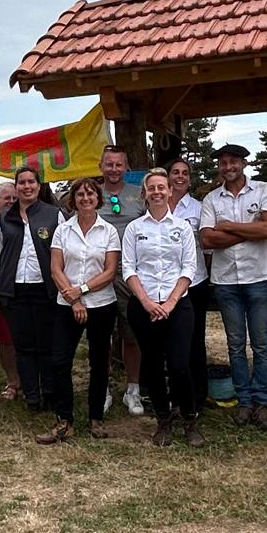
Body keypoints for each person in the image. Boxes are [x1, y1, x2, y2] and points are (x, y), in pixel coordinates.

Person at [200, 143, 267, 428]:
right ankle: (244, 402)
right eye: (223, 163)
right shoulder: (211, 199)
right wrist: (250, 230)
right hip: (225, 280)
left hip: (258, 276)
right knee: (235, 345)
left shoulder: (264, 190)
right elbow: (208, 240)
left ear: (244, 163)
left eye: (233, 161)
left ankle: (263, 402)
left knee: (261, 344)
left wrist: (228, 226)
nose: (228, 167)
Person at [37, 176, 121, 444]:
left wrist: (82, 290)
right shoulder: (63, 230)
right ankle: (64, 420)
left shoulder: (108, 231)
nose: (86, 199)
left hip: (101, 304)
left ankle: (96, 418)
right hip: (67, 305)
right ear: (73, 200)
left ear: (98, 198)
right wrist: (73, 300)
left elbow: (110, 272)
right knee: (60, 361)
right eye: (80, 195)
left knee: (99, 363)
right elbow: (55, 268)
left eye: (91, 194)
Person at [123, 168, 201, 447]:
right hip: (144, 306)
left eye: (161, 187)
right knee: (153, 365)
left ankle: (190, 419)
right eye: (151, 188)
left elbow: (189, 267)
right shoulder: (135, 228)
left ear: (170, 191)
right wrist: (146, 302)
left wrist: (169, 303)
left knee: (180, 364)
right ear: (145, 194)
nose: (157, 192)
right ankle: (163, 420)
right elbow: (128, 268)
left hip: (177, 305)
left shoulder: (181, 228)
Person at [0, 167, 61, 411]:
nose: (27, 186)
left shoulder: (54, 214)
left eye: (31, 182)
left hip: (45, 289)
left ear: (39, 186)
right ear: (16, 187)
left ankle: (50, 392)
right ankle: (31, 396)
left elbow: (64, 253)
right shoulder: (4, 217)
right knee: (23, 346)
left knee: (46, 345)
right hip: (14, 291)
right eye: (22, 183)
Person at [97, 145, 147, 415]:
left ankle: (133, 390)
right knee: (101, 334)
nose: (114, 169)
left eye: (118, 165)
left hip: (131, 274)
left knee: (132, 334)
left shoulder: (139, 194)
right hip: (100, 275)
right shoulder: (92, 193)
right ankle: (101, 389)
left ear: (126, 168)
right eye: (109, 164)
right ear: (100, 166)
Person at [169, 158, 211, 404]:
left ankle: (197, 394)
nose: (180, 176)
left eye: (185, 172)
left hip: (194, 282)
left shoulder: (198, 208)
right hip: (163, 284)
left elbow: (207, 248)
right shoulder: (154, 206)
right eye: (175, 172)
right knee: (168, 341)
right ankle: (172, 392)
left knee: (194, 338)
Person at [0, 180, 22, 398]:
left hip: (29, 286)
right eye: (6, 198)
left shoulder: (29, 218)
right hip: (4, 287)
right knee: (6, 339)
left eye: (14, 198)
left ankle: (31, 380)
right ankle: (12, 382)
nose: (10, 202)